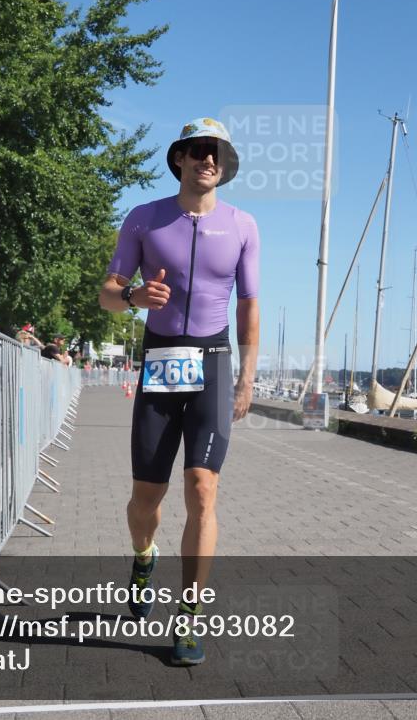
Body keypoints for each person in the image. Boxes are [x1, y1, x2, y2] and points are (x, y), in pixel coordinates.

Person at [98, 117, 259, 666]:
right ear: (179, 159)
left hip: (214, 361)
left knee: (202, 488)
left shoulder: (243, 226)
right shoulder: (145, 218)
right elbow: (108, 296)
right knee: (147, 499)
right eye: (196, 150)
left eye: (215, 152)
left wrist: (247, 377)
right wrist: (135, 297)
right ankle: (144, 555)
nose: (206, 159)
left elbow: (248, 306)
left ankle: (189, 615)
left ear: (224, 163)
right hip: (162, 361)